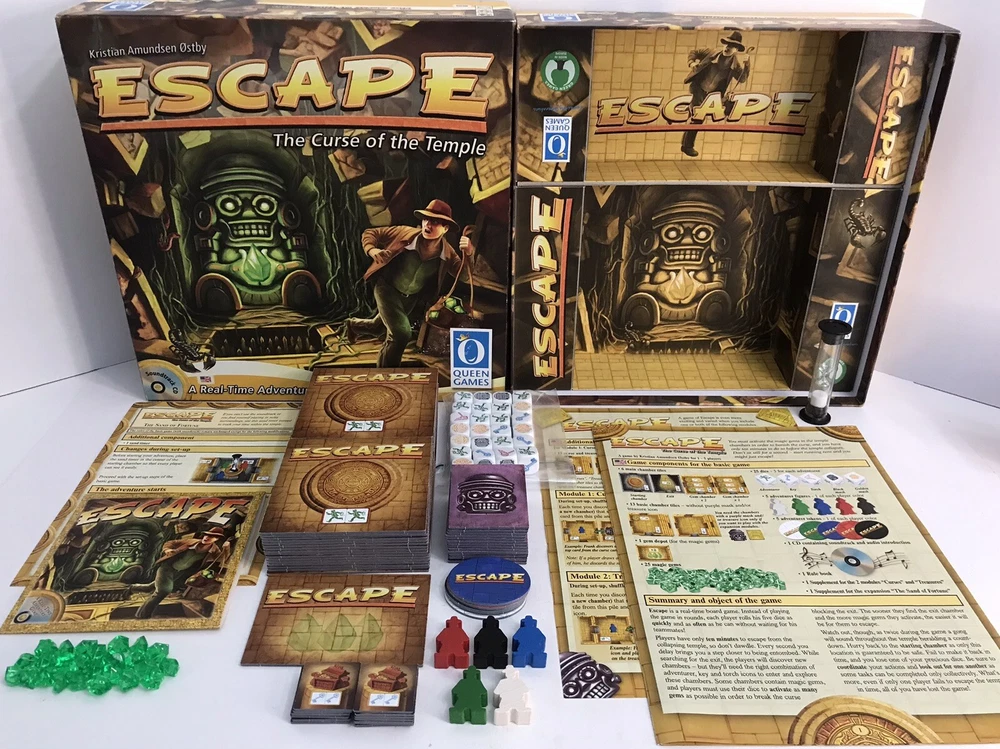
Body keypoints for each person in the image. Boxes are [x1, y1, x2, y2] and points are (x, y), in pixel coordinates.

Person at [347, 199, 472, 367]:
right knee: (401, 334)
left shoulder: (448, 253)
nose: (428, 225)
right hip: (387, 289)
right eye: (426, 219)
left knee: (380, 327)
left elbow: (464, 275)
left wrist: (469, 253)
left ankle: (353, 325)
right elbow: (371, 233)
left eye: (435, 222)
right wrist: (372, 250)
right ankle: (386, 374)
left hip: (410, 298)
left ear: (445, 228)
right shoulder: (404, 233)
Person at [682, 30, 752, 157]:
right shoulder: (711, 53)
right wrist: (692, 63)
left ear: (736, 50)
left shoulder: (735, 66)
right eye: (727, 44)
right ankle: (687, 146)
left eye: (732, 46)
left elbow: (742, 78)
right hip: (698, 88)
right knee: (697, 118)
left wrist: (747, 65)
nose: (728, 47)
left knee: (696, 116)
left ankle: (685, 115)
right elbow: (694, 52)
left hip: (712, 96)